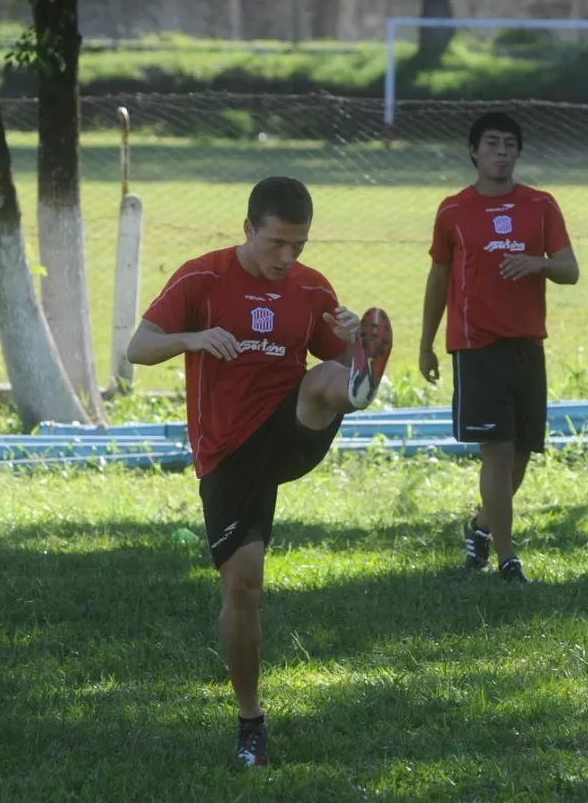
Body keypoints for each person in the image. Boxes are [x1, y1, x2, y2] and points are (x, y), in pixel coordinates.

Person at [127, 176, 393, 768]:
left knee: (328, 381)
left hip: (291, 426)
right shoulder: (203, 277)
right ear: (248, 229)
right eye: (276, 243)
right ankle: (251, 723)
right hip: (228, 451)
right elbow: (138, 348)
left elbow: (325, 345)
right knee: (242, 587)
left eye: (298, 245)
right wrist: (194, 338)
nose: (287, 257)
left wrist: (350, 341)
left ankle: (360, 386)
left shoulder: (312, 287)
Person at [418, 111, 579, 584]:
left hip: (527, 345)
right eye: (492, 144)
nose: (502, 152)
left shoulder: (541, 205)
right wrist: (426, 344)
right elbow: (439, 275)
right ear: (473, 152)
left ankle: (482, 527)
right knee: (499, 451)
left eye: (510, 144)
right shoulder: (453, 210)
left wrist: (537, 263)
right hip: (475, 346)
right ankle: (508, 561)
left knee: (523, 453)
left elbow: (570, 269)